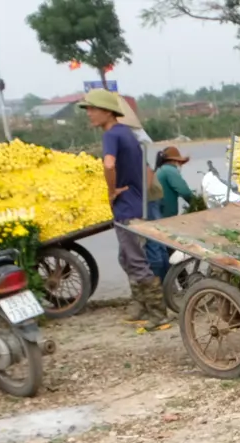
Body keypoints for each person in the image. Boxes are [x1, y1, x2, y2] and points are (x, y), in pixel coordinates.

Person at [79, 88, 159, 321]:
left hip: (127, 208)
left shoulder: (111, 135)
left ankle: (157, 312)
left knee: (135, 260)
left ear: (107, 111)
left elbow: (109, 164)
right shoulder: (127, 133)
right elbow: (145, 169)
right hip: (135, 203)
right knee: (126, 258)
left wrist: (112, 190)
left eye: (92, 109)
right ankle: (141, 305)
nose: (89, 114)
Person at [144, 146, 195, 282]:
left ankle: (177, 282)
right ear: (174, 161)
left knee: (167, 251)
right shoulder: (169, 170)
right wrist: (197, 204)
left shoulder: (160, 170)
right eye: (179, 162)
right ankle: (184, 282)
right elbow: (184, 191)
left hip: (159, 216)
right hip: (164, 218)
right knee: (171, 250)